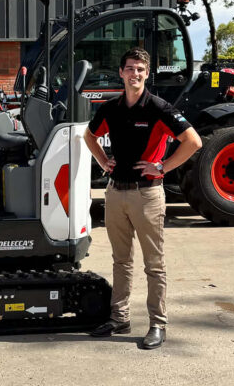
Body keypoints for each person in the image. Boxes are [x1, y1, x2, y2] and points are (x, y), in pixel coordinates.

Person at [83, 47, 202, 350]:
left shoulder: (159, 108)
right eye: (129, 68)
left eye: (140, 69)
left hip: (147, 195)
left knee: (154, 264)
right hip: (115, 192)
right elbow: (89, 136)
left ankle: (157, 324)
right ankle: (119, 317)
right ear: (121, 73)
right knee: (121, 261)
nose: (134, 74)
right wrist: (102, 160)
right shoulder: (110, 108)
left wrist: (163, 166)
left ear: (147, 74)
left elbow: (193, 141)